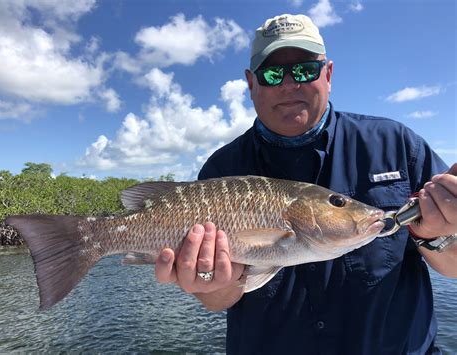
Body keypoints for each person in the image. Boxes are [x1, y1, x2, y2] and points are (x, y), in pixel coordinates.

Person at [154, 14, 457, 354]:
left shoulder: (396, 144)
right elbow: (216, 301)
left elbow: (455, 265)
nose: (288, 84)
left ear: (327, 75)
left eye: (303, 70)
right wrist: (210, 282)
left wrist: (437, 235)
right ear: (251, 84)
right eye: (271, 74)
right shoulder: (221, 168)